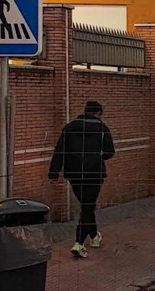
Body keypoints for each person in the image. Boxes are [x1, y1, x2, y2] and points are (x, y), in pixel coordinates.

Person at [49, 101, 115, 257]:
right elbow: (110, 152)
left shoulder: (70, 127)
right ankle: (79, 243)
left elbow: (60, 150)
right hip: (94, 173)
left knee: (86, 205)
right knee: (87, 206)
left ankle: (94, 236)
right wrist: (96, 157)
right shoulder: (102, 129)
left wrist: (53, 172)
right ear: (98, 113)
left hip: (74, 174)